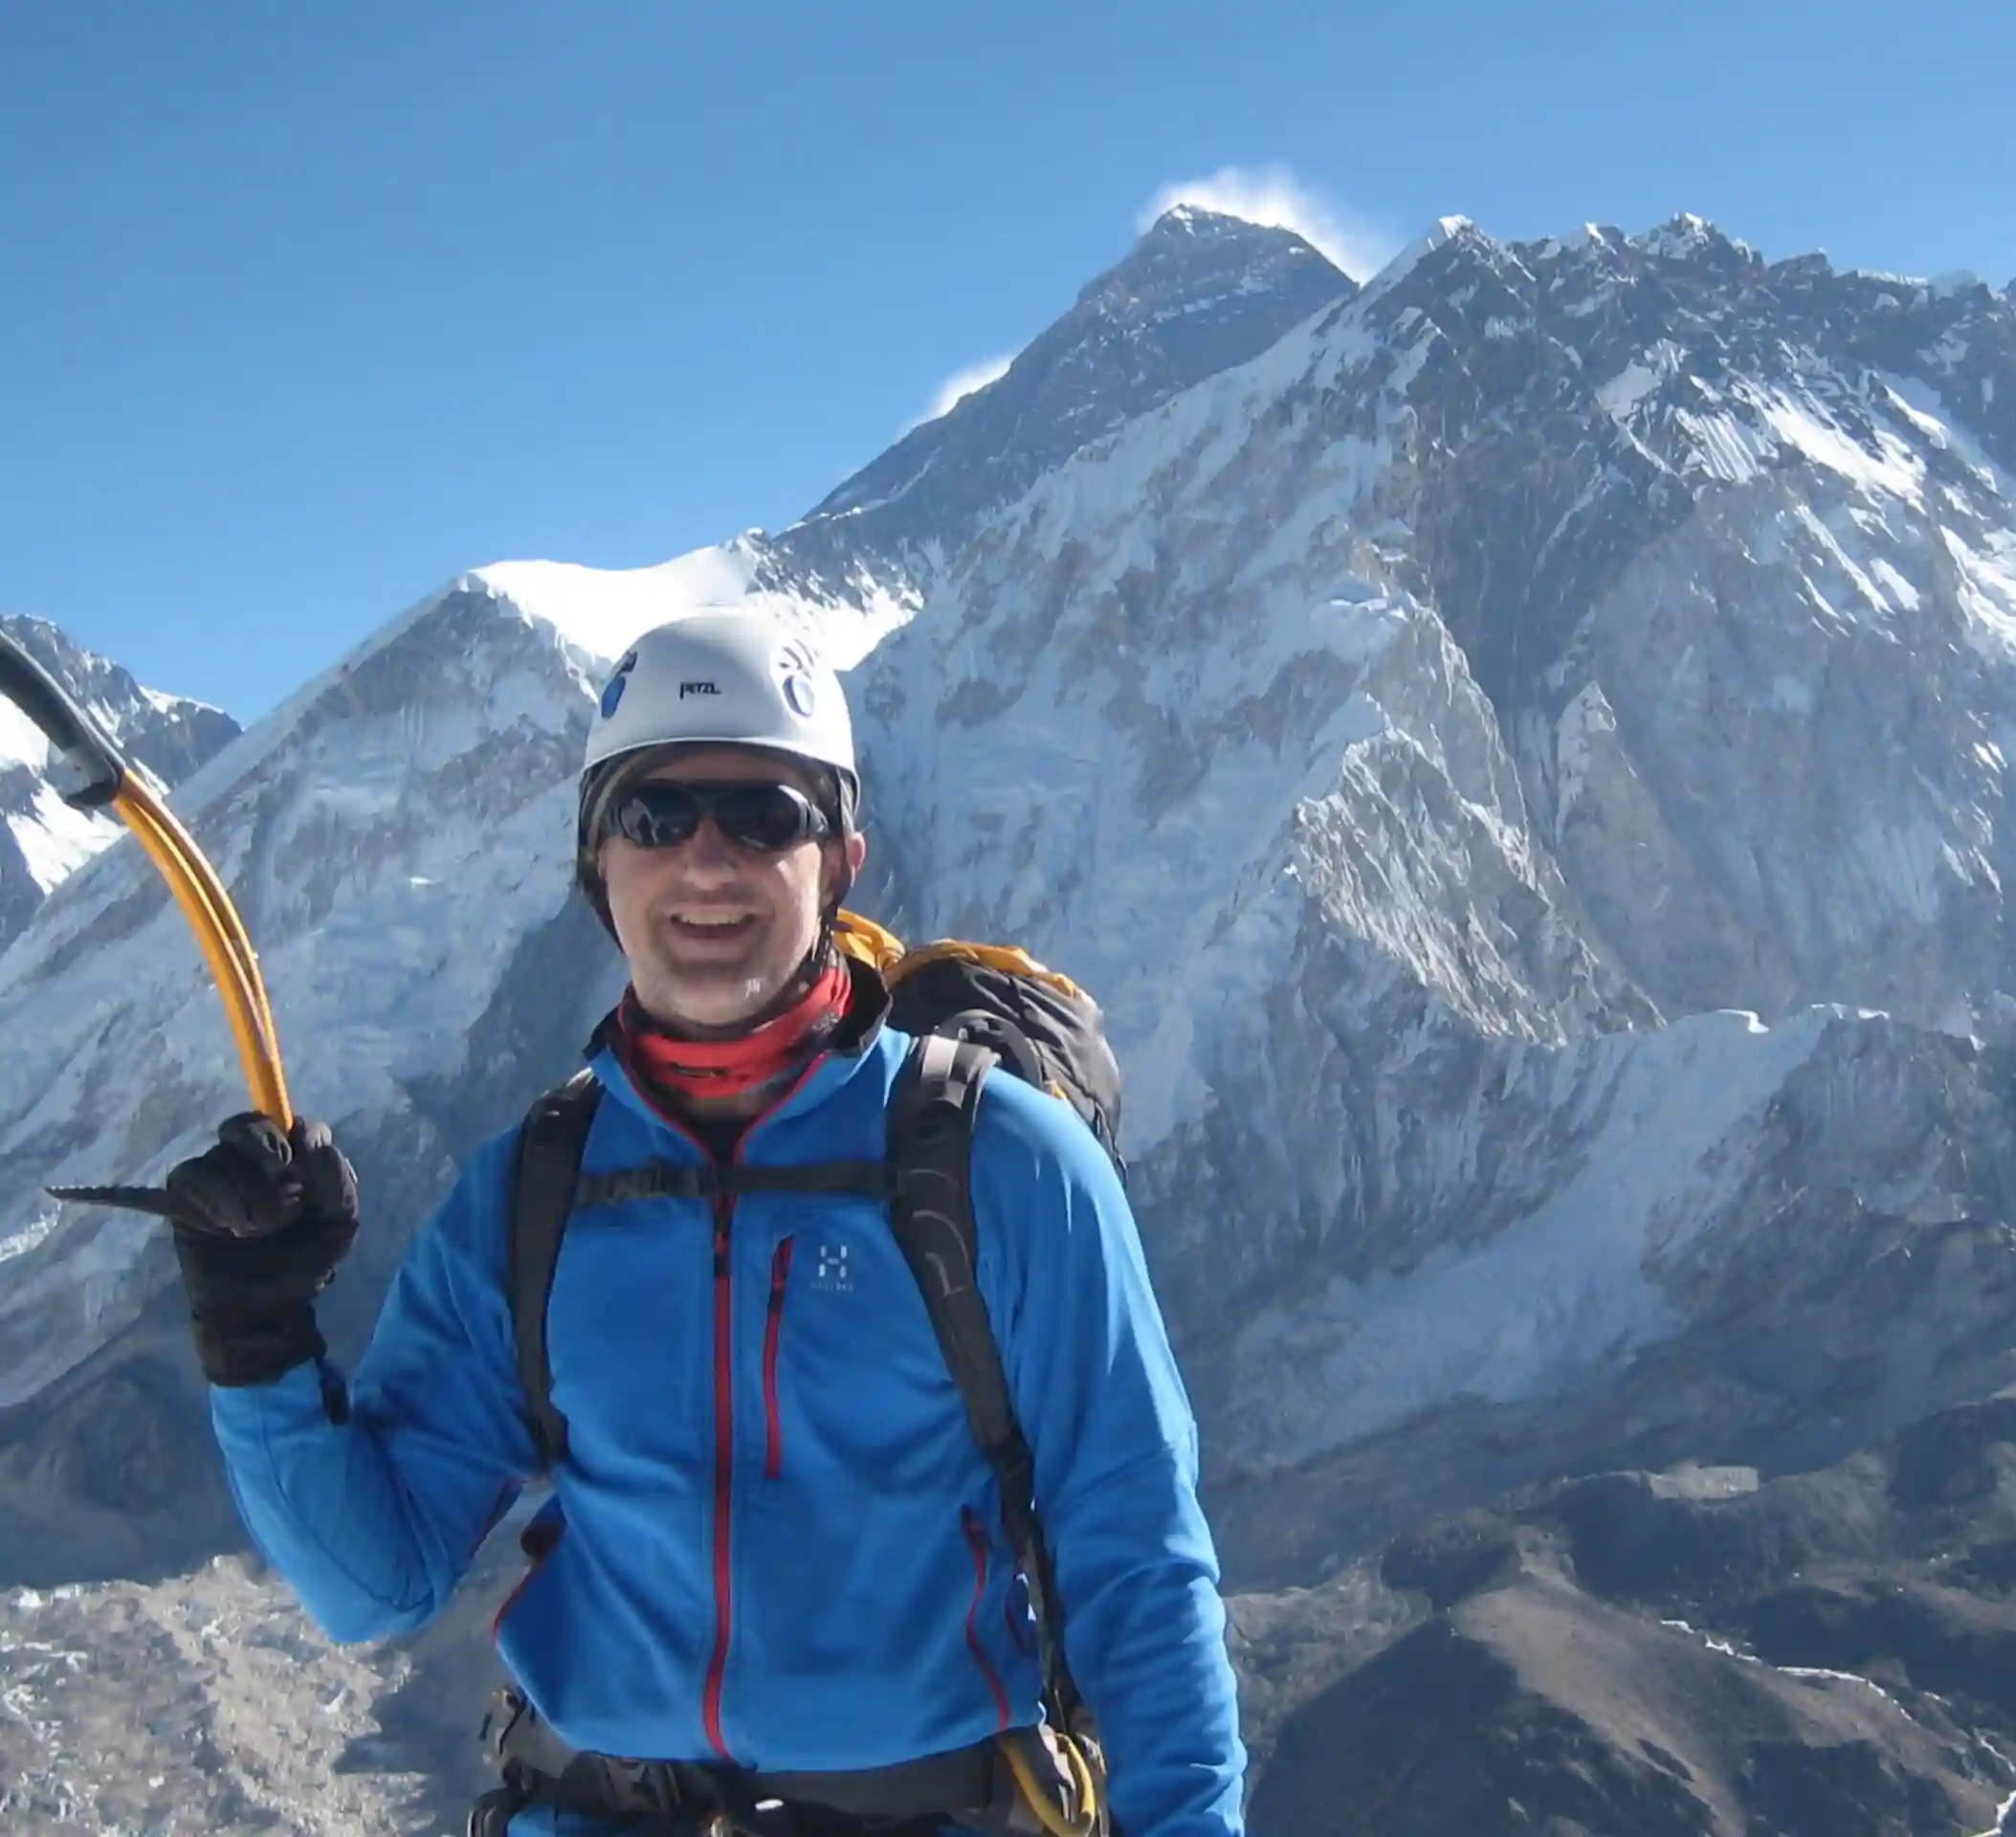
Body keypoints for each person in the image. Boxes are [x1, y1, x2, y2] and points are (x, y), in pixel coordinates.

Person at [161, 610, 1247, 1836]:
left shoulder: (1002, 1169)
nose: (707, 861)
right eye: (656, 815)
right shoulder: (533, 1193)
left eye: (765, 815)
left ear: (840, 859)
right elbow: (379, 1577)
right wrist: (255, 1341)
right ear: (598, 863)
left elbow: (1139, 1567)